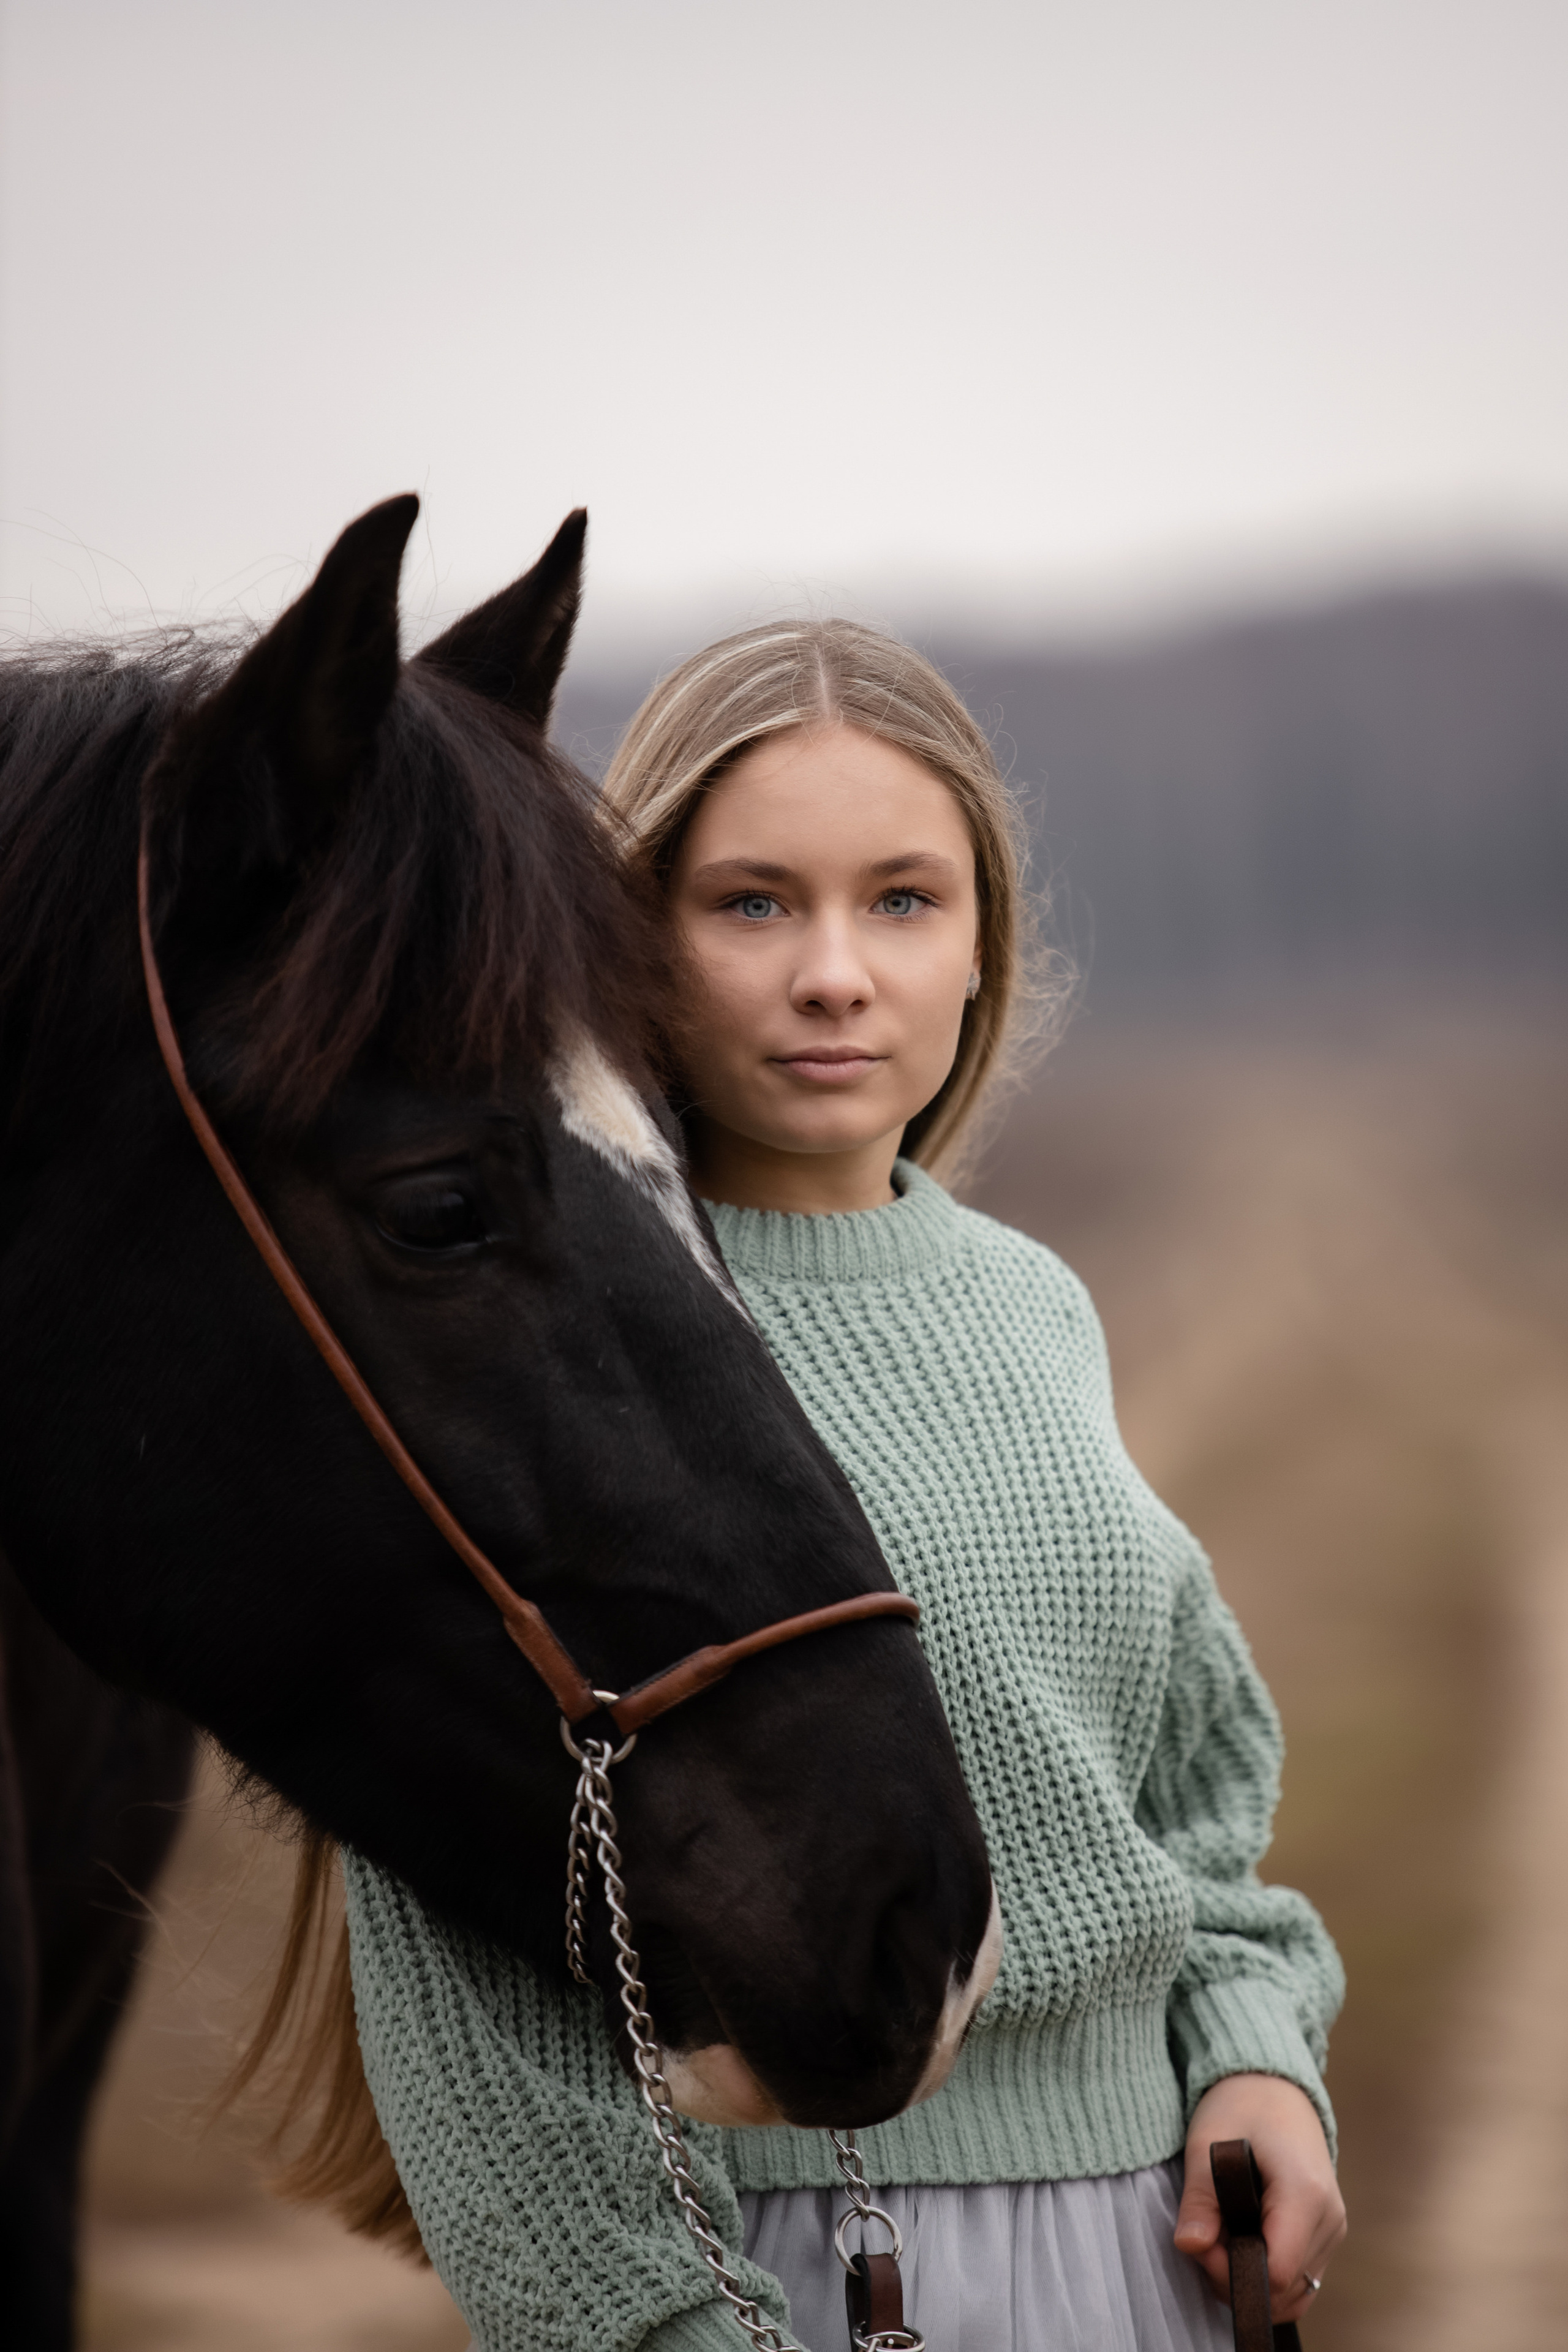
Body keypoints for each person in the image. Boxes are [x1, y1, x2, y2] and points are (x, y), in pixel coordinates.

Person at [343, 619, 1346, 2352]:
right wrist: (666, 2327)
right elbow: (457, 1958)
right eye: (751, 902)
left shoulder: (1031, 1303)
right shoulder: (537, 1346)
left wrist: (1256, 2056)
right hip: (788, 2281)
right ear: (630, 942)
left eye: (901, 900)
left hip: (1143, 2263)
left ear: (983, 952)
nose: (835, 973)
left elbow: (1183, 1802)